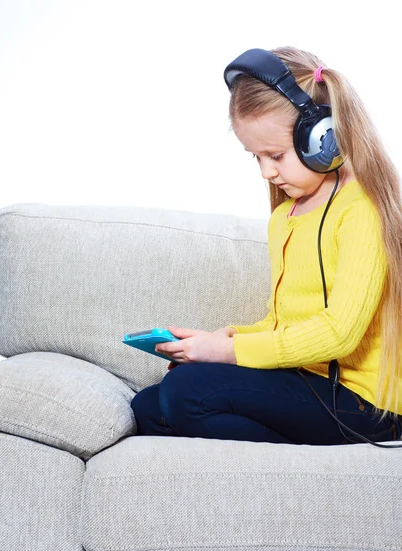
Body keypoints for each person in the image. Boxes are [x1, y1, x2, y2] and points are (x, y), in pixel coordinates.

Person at [130, 46, 402, 445]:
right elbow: (287, 324)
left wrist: (227, 354)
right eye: (255, 157)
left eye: (275, 155)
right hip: (307, 382)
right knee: (146, 408)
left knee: (186, 393)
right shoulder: (284, 218)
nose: (266, 171)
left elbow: (339, 335)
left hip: (366, 404)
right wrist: (226, 338)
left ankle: (296, 457)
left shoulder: (361, 209)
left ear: (323, 139)